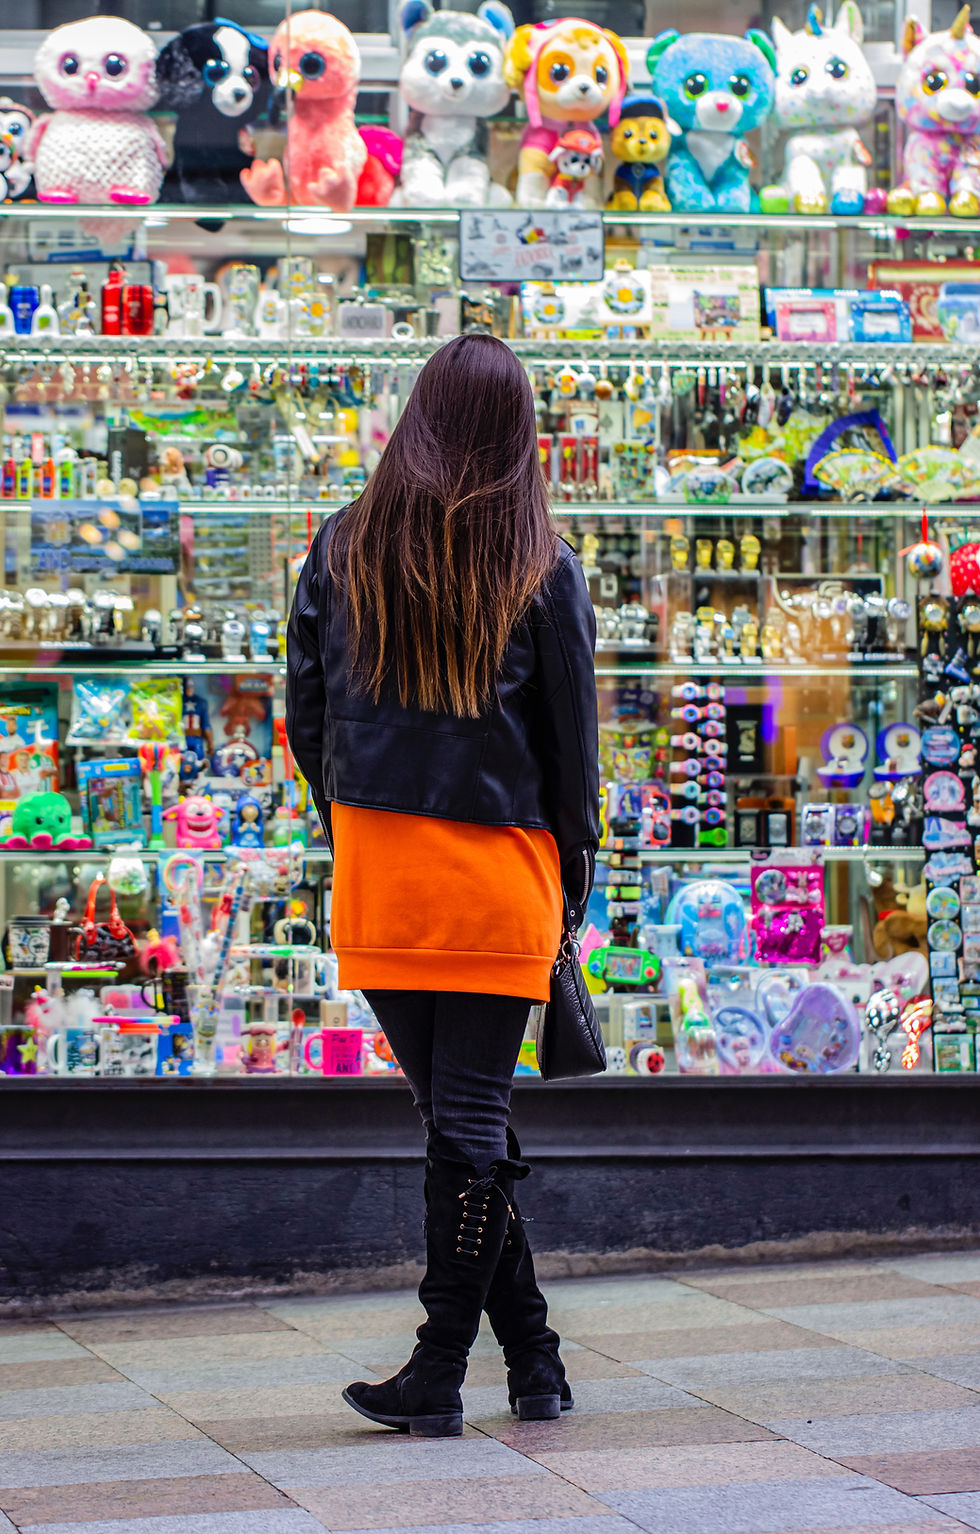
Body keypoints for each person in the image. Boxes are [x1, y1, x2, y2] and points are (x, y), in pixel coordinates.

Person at [286, 332, 600, 1439]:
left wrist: (356, 818)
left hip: (381, 871)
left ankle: (528, 1357)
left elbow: (304, 718)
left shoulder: (342, 547)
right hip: (500, 875)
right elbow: (573, 753)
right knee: (468, 1122)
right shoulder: (540, 566)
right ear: (518, 435)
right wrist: (575, 877)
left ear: (414, 416)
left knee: (454, 1122)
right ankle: (448, 1366)